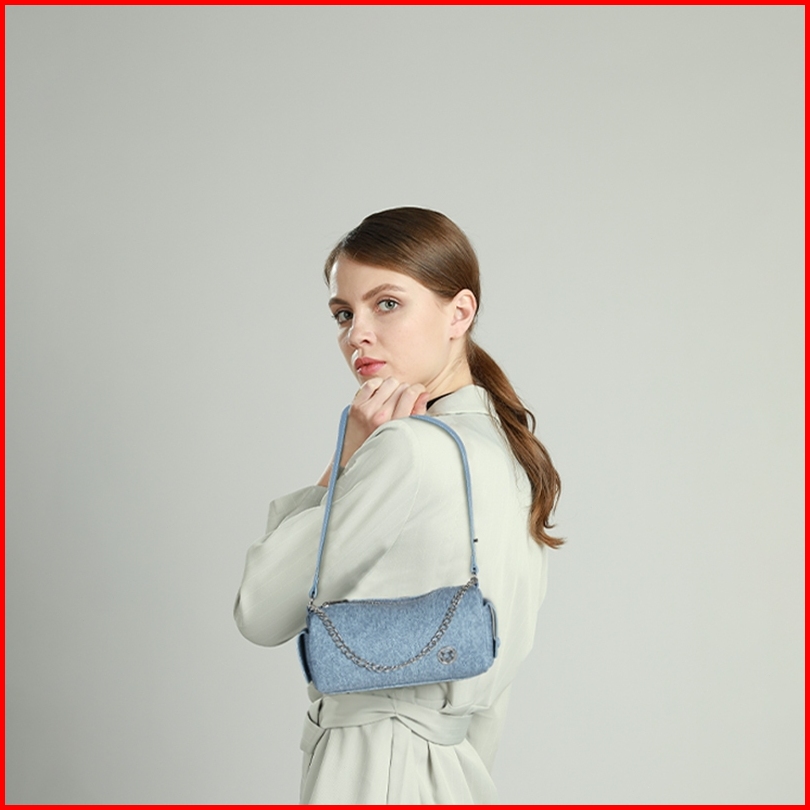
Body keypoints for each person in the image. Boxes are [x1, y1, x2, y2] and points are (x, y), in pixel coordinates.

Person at [234, 207, 562, 804]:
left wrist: (349, 457)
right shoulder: (512, 452)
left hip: (371, 772)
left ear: (459, 312)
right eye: (344, 313)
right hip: (456, 773)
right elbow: (492, 675)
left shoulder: (407, 449)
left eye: (386, 304)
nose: (357, 333)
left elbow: (259, 610)